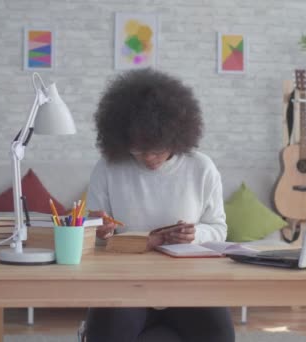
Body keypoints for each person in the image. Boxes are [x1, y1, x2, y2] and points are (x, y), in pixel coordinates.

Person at [85, 68, 235, 342]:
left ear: (177, 138)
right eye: (139, 151)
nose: (150, 158)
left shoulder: (201, 168)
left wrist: (196, 234)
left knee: (221, 336)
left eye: (158, 149)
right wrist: (98, 231)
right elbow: (88, 235)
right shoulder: (107, 168)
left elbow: (218, 228)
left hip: (188, 283)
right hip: (126, 283)